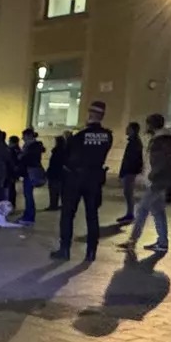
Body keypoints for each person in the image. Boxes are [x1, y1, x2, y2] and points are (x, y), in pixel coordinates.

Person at [51, 101, 114, 262]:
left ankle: (64, 249)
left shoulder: (79, 135)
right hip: (95, 179)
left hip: (75, 178)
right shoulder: (107, 135)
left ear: (91, 114)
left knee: (67, 215)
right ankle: (91, 252)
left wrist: (66, 140)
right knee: (92, 215)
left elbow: (67, 157)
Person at [122, 114, 171, 253]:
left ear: (152, 125)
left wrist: (152, 175)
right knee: (158, 211)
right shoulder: (163, 139)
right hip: (158, 180)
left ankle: (132, 241)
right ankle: (162, 242)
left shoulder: (162, 141)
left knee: (142, 209)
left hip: (158, 181)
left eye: (148, 124)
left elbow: (161, 162)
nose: (146, 127)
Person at [118, 121, 143, 224]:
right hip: (130, 171)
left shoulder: (134, 143)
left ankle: (130, 214)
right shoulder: (134, 142)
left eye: (128, 128)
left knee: (129, 193)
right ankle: (129, 213)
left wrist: (124, 172)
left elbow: (131, 160)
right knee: (128, 193)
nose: (126, 130)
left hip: (129, 172)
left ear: (132, 130)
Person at [19, 128, 45, 225]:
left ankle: (29, 217)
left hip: (31, 172)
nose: (23, 138)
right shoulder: (31, 146)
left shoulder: (32, 146)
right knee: (27, 195)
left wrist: (22, 157)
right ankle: (27, 215)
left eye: (24, 136)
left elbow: (29, 159)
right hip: (29, 171)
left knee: (28, 195)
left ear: (29, 136)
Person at [44, 135, 67, 211]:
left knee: (53, 191)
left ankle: (53, 205)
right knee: (62, 191)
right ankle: (64, 205)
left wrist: (48, 172)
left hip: (54, 173)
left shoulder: (56, 151)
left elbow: (53, 163)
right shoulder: (65, 150)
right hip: (62, 174)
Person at [6, 135, 22, 208]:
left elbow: (11, 161)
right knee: (12, 189)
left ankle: (10, 204)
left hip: (10, 172)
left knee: (10, 189)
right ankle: (12, 204)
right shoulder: (18, 150)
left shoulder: (11, 150)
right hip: (15, 172)